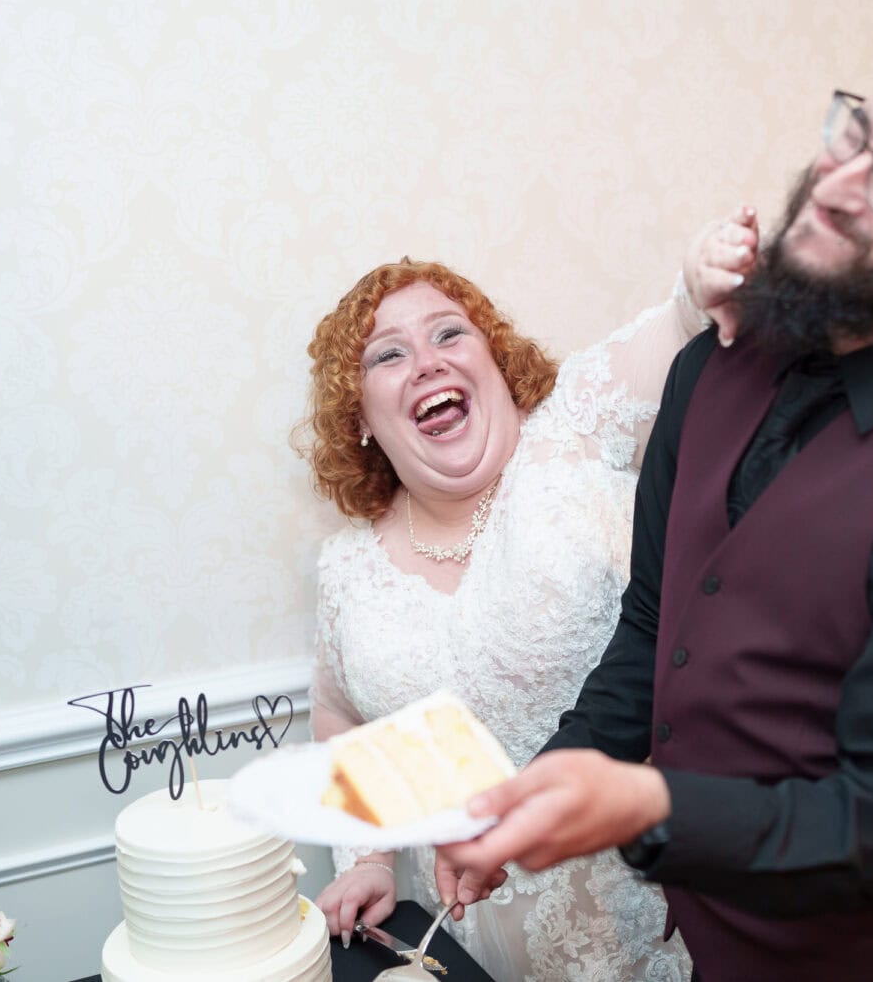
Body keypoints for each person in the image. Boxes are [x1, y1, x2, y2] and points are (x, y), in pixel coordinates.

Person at [439, 27, 873, 981]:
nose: (838, 184)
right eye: (855, 135)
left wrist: (646, 806)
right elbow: (654, 627)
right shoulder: (714, 367)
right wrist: (528, 797)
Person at [298, 213, 757, 981]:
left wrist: (704, 276)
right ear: (361, 418)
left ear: (496, 360)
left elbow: (679, 322)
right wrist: (370, 858)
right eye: (388, 354)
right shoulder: (347, 570)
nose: (425, 363)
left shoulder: (571, 428)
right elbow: (344, 718)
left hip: (655, 918)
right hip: (467, 945)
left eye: (450, 335)